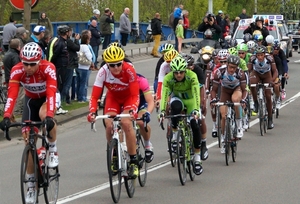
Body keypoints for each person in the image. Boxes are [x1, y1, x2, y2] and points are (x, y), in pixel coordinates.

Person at [0, 42, 58, 203]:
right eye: (25, 63)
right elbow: (12, 95)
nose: (28, 67)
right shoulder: (17, 70)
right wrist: (6, 116)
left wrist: (50, 116)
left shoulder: (48, 68)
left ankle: (53, 149)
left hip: (48, 99)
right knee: (28, 140)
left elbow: (52, 92)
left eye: (32, 64)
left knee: (44, 114)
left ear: (39, 61)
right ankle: (32, 186)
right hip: (30, 100)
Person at [87, 46, 140, 179]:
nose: (116, 67)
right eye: (112, 65)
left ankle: (133, 161)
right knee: (109, 124)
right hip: (113, 98)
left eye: (118, 64)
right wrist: (92, 112)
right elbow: (94, 96)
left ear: (122, 62)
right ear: (107, 64)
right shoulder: (103, 72)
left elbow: (135, 94)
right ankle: (114, 153)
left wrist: (133, 109)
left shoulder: (129, 69)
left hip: (129, 98)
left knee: (126, 123)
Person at [158, 56, 203, 175]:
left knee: (194, 124)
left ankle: (197, 159)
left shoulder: (192, 76)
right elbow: (164, 95)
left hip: (191, 100)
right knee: (175, 109)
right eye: (176, 72)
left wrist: (197, 110)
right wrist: (162, 111)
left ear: (185, 70)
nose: (178, 75)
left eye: (181, 72)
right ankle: (175, 136)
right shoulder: (168, 79)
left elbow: (196, 94)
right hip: (178, 99)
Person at [210, 55, 248, 153]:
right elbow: (213, 90)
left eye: (234, 68)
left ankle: (239, 125)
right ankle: (223, 139)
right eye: (230, 67)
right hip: (225, 92)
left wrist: (243, 100)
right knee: (223, 116)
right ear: (227, 64)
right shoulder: (219, 72)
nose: (232, 69)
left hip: (236, 89)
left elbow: (245, 90)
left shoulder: (240, 73)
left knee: (235, 100)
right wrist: (214, 99)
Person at [182, 53, 209, 160]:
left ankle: (203, 143)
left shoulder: (197, 71)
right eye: (186, 67)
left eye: (190, 66)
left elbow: (201, 88)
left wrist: (202, 103)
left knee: (200, 119)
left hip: (196, 94)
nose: (188, 68)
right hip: (182, 95)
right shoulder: (178, 71)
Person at [248, 46, 278, 129]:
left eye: (261, 55)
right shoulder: (252, 58)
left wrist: (272, 80)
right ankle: (256, 102)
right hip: (256, 73)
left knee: (268, 96)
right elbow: (248, 70)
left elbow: (275, 71)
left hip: (267, 75)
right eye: (258, 55)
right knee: (252, 84)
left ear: (264, 55)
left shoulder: (270, 58)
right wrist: (248, 79)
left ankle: (270, 119)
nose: (260, 57)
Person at [47, 25, 70, 115]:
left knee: (59, 86)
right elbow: (53, 55)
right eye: (68, 32)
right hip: (59, 67)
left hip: (62, 67)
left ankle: (57, 105)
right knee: (57, 86)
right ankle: (56, 106)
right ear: (65, 32)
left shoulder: (61, 41)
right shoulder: (59, 42)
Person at [2, 39, 22, 119]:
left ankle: (10, 114)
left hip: (8, 79)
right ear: (18, 47)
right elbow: (18, 68)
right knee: (17, 97)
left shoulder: (7, 54)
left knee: (10, 97)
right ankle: (14, 114)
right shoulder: (15, 56)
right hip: (15, 80)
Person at [77, 31, 93, 103]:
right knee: (83, 84)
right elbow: (90, 56)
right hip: (84, 67)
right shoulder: (86, 47)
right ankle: (82, 98)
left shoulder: (79, 46)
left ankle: (78, 97)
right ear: (87, 40)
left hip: (78, 66)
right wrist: (91, 61)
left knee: (79, 83)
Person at [66, 27, 80, 105]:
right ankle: (67, 99)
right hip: (70, 63)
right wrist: (77, 40)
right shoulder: (69, 41)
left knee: (68, 82)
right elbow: (77, 48)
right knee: (68, 83)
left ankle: (67, 98)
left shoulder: (66, 41)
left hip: (68, 63)